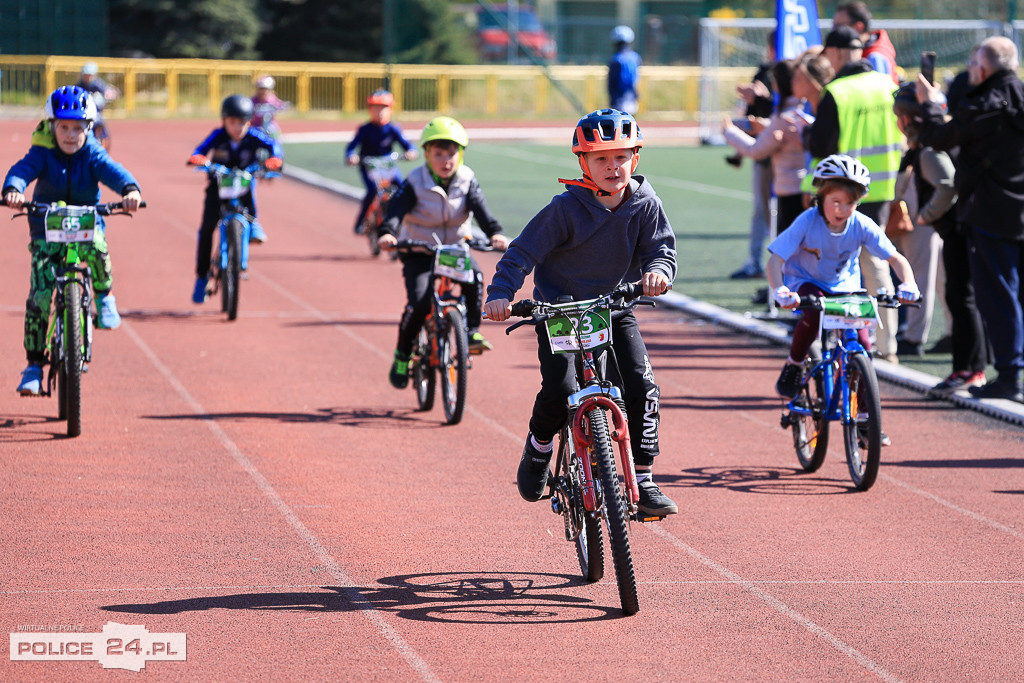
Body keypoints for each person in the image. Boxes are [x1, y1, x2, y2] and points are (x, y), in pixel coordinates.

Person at [483, 109, 678, 517]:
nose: (612, 166)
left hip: (613, 308)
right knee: (559, 389)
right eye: (601, 159)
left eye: (621, 157)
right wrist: (501, 293)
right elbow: (521, 253)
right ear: (583, 164)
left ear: (635, 160)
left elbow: (661, 250)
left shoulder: (645, 204)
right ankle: (539, 449)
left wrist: (659, 271)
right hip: (559, 313)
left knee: (642, 387)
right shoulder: (565, 209)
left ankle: (643, 478)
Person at [2, 86, 143, 395]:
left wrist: (130, 189)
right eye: (63, 127)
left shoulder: (92, 152)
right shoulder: (43, 151)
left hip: (86, 223)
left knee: (98, 250)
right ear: (52, 127)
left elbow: (112, 171)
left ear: (89, 128)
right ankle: (33, 365)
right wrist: (13, 188)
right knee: (40, 295)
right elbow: (22, 170)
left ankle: (104, 298)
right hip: (45, 226)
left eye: (77, 128)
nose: (70, 134)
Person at [767, 155, 919, 419]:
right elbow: (775, 260)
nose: (842, 210)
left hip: (844, 286)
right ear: (820, 198)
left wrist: (908, 282)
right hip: (805, 281)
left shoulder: (860, 223)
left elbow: (894, 257)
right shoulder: (807, 221)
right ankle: (794, 364)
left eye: (850, 203)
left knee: (861, 343)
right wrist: (780, 290)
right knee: (812, 314)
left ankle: (864, 413)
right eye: (835, 202)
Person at [916, 36, 1024, 403]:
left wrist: (930, 105)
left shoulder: (984, 104)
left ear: (983, 67)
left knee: (998, 295)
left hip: (992, 213)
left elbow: (939, 137)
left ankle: (1010, 374)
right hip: (1017, 210)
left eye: (974, 64)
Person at [797, 25, 903, 363]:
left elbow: (821, 145)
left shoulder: (838, 91)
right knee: (878, 261)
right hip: (883, 185)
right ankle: (887, 344)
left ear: (838, 53)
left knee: (838, 260)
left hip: (842, 190)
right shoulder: (888, 86)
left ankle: (839, 333)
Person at [377, 115, 508, 382]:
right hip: (419, 250)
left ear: (460, 155)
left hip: (455, 248)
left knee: (475, 277)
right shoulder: (415, 181)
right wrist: (388, 234)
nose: (446, 160)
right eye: (438, 154)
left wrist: (495, 233)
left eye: (452, 153)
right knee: (420, 303)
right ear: (426, 154)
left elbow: (482, 212)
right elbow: (395, 212)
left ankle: (470, 332)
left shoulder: (467, 179)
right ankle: (403, 355)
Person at [891, 83, 987, 390]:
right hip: (961, 228)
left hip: (957, 230)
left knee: (962, 299)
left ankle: (969, 369)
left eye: (899, 116)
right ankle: (973, 367)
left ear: (908, 119)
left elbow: (946, 185)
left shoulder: (929, 150)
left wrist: (926, 215)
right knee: (962, 297)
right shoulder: (931, 143)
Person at [188, 94, 283, 304]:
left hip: (243, 182)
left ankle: (253, 224)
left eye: (242, 123)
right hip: (218, 186)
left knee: (249, 190)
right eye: (232, 122)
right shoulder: (218, 135)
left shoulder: (255, 136)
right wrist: (199, 158)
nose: (237, 127)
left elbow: (273, 146)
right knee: (206, 230)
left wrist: (275, 159)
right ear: (224, 121)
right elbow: (200, 150)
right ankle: (202, 277)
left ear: (249, 122)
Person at [723, 59, 807, 238]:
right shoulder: (802, 110)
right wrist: (765, 126)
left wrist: (729, 132)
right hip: (805, 187)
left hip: (790, 190)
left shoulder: (784, 116)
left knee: (788, 251)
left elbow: (756, 150)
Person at [726, 30, 776, 280]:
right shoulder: (764, 72)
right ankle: (756, 262)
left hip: (783, 156)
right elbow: (751, 116)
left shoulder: (794, 72)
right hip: (763, 152)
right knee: (761, 210)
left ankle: (779, 270)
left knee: (775, 213)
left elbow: (782, 114)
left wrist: (763, 98)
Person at [346, 90, 417, 235]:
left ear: (390, 110)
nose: (379, 112)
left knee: (402, 188)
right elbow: (352, 147)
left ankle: (407, 219)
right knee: (372, 191)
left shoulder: (393, 129)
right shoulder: (365, 129)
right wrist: (352, 156)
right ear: (369, 110)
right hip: (369, 166)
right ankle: (360, 221)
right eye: (375, 108)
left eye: (383, 108)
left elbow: (407, 145)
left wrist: (411, 152)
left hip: (387, 165)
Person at [832, 1, 898, 84]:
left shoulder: (875, 57)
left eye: (839, 26)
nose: (834, 30)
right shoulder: (864, 49)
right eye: (833, 25)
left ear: (859, 26)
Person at [76, 61, 120, 151]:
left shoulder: (99, 84)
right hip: (83, 115)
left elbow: (112, 92)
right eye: (86, 75)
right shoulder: (79, 86)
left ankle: (103, 146)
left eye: (90, 75)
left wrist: (110, 95)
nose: (88, 78)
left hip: (97, 114)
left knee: (101, 127)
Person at [607, 26, 641, 115]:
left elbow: (613, 82)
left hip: (618, 99)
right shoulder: (635, 57)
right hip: (632, 97)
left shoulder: (615, 59)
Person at [250, 74, 289, 142]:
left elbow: (280, 105)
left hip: (269, 125)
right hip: (255, 125)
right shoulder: (253, 100)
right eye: (261, 89)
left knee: (274, 133)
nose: (263, 91)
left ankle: (274, 147)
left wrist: (283, 106)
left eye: (265, 89)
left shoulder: (272, 99)